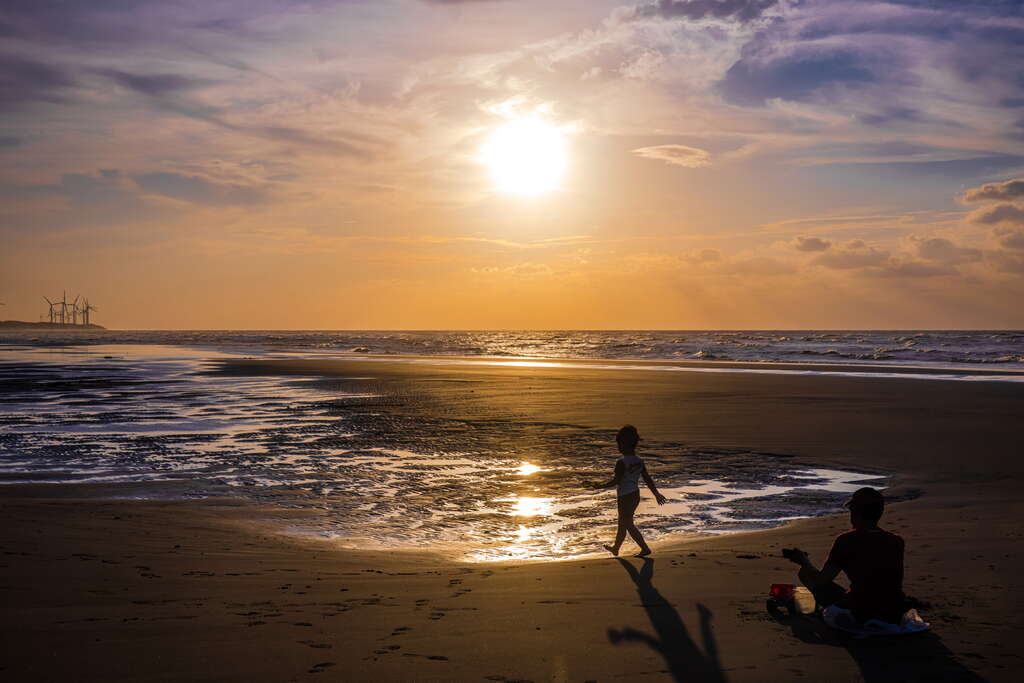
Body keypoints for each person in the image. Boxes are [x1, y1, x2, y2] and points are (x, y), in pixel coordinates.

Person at [783, 486, 905, 624]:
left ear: (854, 512)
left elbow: (822, 581)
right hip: (894, 610)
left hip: (863, 610)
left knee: (806, 574)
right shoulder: (896, 541)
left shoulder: (847, 540)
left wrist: (805, 563)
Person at [592, 425, 667, 557]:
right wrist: (656, 494)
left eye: (619, 444)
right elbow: (647, 479)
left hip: (625, 496)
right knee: (623, 523)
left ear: (623, 444)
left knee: (627, 523)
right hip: (634, 494)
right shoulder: (639, 461)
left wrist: (599, 486)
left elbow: (616, 481)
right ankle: (616, 548)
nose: (618, 447)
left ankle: (645, 548)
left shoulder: (621, 462)